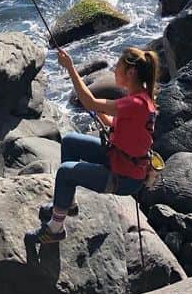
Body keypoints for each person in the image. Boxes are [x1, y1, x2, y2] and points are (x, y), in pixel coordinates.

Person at [29, 46, 159, 244]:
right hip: (119, 159)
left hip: (123, 177)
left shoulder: (135, 104)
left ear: (130, 72)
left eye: (118, 66)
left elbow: (89, 102)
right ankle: (68, 203)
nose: (115, 70)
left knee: (65, 172)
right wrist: (99, 112)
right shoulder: (141, 100)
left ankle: (55, 229)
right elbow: (114, 124)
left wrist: (71, 68)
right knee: (71, 142)